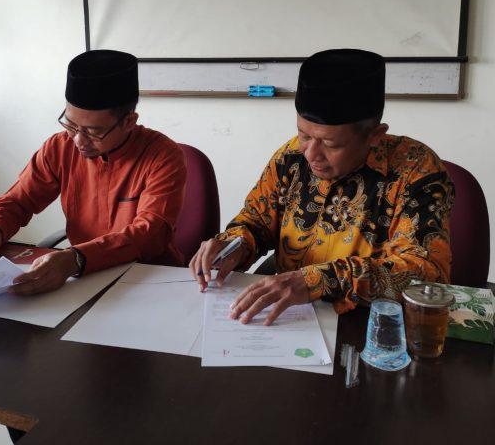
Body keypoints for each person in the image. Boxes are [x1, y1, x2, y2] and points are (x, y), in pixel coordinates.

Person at [190, 48, 453, 324]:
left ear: (375, 136)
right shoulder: (291, 157)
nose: (311, 154)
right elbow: (256, 221)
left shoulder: (416, 172)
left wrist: (319, 280)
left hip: (369, 325)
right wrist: (234, 245)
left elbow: (425, 276)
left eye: (331, 144)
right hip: (289, 319)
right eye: (304, 135)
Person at [0, 50, 187, 295]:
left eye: (93, 131)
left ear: (128, 122)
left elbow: (150, 234)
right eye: (70, 124)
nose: (78, 140)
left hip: (148, 279)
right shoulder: (59, 147)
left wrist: (76, 258)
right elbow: (18, 201)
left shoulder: (163, 156)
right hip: (83, 279)